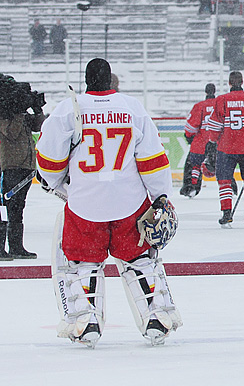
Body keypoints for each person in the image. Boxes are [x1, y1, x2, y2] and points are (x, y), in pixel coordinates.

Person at [36, 58, 181, 346]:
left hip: (85, 205)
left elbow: (49, 161)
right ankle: (157, 317)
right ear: (110, 80)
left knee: (84, 262)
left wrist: (54, 182)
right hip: (130, 203)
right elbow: (152, 159)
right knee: (139, 260)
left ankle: (86, 322)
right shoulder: (132, 108)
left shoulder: (68, 109)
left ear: (87, 79)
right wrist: (161, 196)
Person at [207, 71, 244, 226]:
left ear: (229, 83)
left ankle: (227, 214)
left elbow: (215, 125)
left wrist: (212, 142)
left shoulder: (222, 100)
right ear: (242, 81)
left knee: (225, 181)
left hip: (227, 148)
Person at [0, 81, 45, 259]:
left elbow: (38, 126)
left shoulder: (20, 113)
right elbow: (12, 132)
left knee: (18, 209)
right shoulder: (4, 115)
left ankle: (16, 247)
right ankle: (2, 248)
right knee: (5, 209)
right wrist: (19, 111)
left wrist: (37, 109)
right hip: (9, 166)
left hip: (24, 166)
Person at [181, 83, 216, 198]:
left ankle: (191, 187)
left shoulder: (199, 106)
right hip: (217, 144)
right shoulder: (221, 104)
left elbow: (190, 127)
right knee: (223, 165)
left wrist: (189, 137)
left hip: (200, 144)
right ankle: (230, 185)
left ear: (206, 92)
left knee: (194, 165)